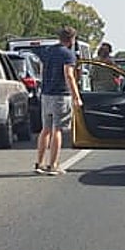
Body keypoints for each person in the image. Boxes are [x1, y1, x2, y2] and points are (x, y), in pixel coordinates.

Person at [34, 26, 82, 176]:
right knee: (57, 130)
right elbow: (69, 75)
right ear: (72, 39)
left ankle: (39, 163)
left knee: (45, 129)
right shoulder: (68, 55)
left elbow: (41, 70)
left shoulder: (48, 51)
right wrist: (76, 96)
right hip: (61, 95)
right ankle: (53, 165)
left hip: (46, 94)